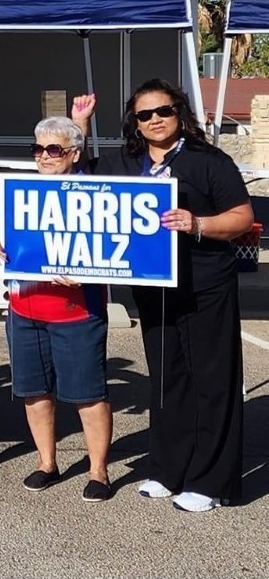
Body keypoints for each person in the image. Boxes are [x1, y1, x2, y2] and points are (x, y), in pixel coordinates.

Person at [83, 81, 252, 512]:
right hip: (154, 289)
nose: (155, 119)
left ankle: (212, 481)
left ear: (180, 112)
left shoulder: (209, 160)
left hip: (206, 284)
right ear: (134, 123)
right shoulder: (124, 161)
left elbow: (241, 218)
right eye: (144, 114)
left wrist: (197, 224)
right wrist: (80, 126)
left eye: (164, 110)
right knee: (166, 379)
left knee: (212, 382)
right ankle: (168, 468)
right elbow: (78, 189)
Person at [0, 112, 113, 502]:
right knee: (34, 392)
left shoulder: (96, 192)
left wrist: (89, 272)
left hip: (76, 311)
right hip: (24, 309)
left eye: (53, 149)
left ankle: (98, 471)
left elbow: (113, 246)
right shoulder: (20, 190)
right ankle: (46, 462)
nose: (43, 155)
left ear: (73, 154)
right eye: (37, 148)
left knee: (88, 394)